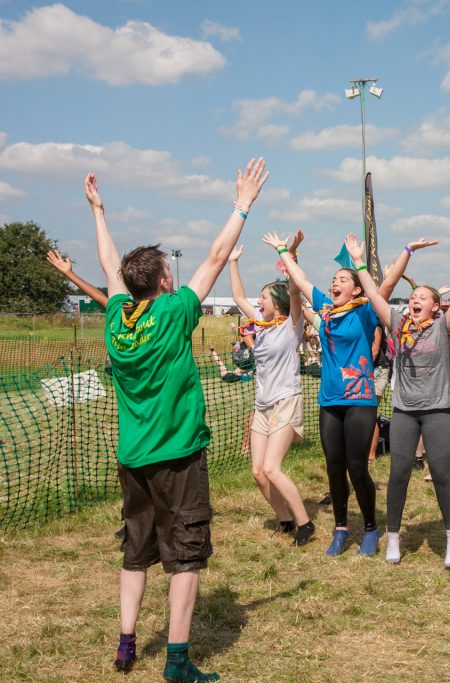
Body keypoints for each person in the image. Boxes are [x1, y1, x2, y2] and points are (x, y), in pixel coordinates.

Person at [91, 157, 268, 682]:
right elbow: (216, 255)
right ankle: (177, 661)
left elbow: (107, 267)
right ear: (165, 277)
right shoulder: (174, 312)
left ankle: (126, 646)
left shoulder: (115, 320)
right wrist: (243, 203)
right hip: (178, 458)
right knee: (184, 558)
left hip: (133, 460)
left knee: (135, 552)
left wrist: (98, 211)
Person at [267, 230, 407, 558]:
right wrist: (283, 250)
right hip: (330, 402)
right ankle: (341, 528)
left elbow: (386, 286)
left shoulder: (365, 310)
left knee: (357, 467)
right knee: (334, 467)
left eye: (343, 279)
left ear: (356, 287)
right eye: (334, 278)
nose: (335, 282)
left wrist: (387, 256)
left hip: (360, 401)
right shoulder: (327, 310)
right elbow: (299, 280)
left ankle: (371, 527)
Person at [345, 233, 450, 568]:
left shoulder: (443, 327)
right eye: (412, 296)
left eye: (421, 297)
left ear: (434, 306)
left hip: (437, 410)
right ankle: (394, 538)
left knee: (441, 472)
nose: (414, 300)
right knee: (399, 472)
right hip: (404, 411)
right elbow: (372, 292)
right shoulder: (398, 325)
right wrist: (360, 261)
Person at [227, 236, 314, 546]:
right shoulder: (260, 329)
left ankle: (305, 523)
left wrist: (289, 254)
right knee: (258, 472)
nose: (258, 301)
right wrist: (233, 261)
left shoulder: (291, 325)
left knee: (271, 468)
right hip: (262, 406)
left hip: (285, 403)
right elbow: (237, 296)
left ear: (276, 301)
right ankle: (285, 520)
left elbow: (295, 288)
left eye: (263, 297)